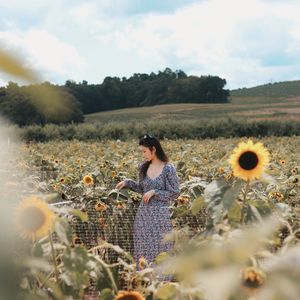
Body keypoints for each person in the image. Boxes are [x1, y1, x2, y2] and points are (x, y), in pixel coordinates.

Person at [116, 134, 180, 281]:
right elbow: (141, 189)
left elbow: (175, 192)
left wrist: (155, 192)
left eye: (144, 151)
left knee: (161, 247)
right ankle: (145, 280)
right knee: (143, 246)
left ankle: (162, 282)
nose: (142, 154)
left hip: (160, 216)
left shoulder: (168, 169)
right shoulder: (143, 167)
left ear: (153, 149)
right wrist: (128, 183)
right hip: (143, 215)